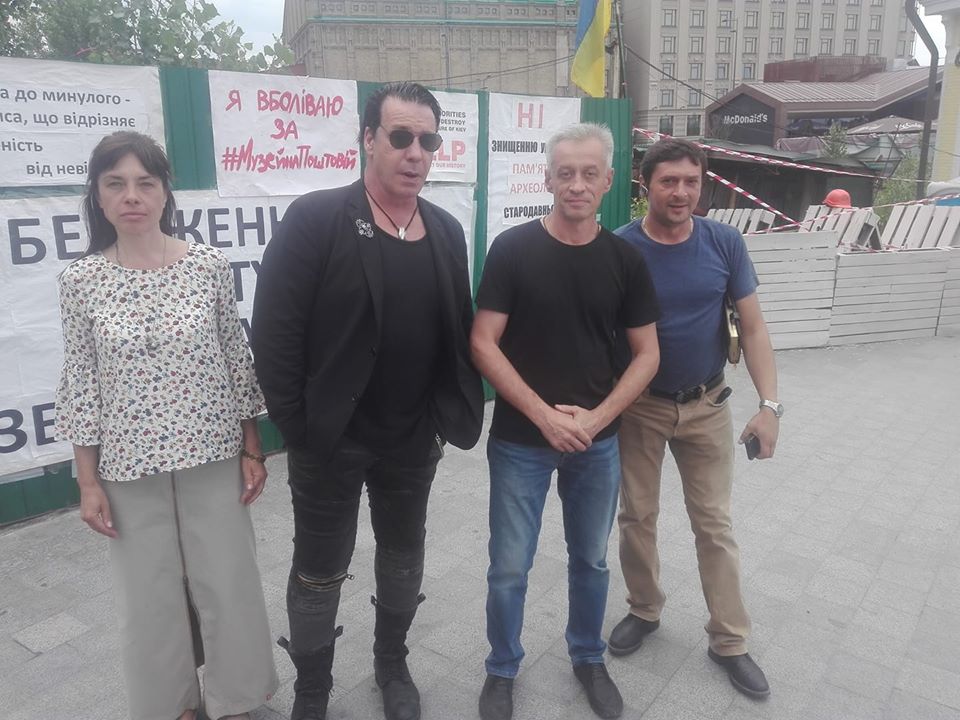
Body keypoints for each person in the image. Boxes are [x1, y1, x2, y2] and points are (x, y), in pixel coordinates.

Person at [251, 82, 484, 720]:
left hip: (411, 438)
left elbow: (456, 329)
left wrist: (441, 417)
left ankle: (391, 663)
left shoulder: (445, 231)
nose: (416, 152)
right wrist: (301, 429)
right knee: (318, 570)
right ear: (368, 139)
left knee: (403, 558)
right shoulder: (317, 219)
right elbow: (274, 335)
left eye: (428, 140)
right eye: (401, 136)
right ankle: (312, 689)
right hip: (331, 440)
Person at [54, 131, 279, 720]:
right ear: (97, 195)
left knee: (228, 580)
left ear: (164, 192)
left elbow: (235, 358)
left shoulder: (207, 267)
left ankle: (236, 698)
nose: (131, 196)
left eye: (144, 183)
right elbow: (82, 380)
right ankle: (171, 705)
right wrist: (87, 481)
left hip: (213, 456)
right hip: (129, 468)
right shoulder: (81, 281)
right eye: (115, 183)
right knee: (148, 597)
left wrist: (252, 447)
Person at [471, 123, 661, 720]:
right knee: (509, 567)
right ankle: (502, 667)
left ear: (609, 181)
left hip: (597, 444)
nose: (577, 184)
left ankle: (588, 656)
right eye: (566, 173)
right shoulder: (513, 250)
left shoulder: (625, 260)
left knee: (592, 560)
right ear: (547, 178)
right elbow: (482, 342)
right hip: (520, 441)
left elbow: (648, 354)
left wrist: (597, 419)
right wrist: (542, 415)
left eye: (589, 174)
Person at [610, 138, 782, 699]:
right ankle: (645, 608)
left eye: (691, 181)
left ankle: (729, 639)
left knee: (714, 524)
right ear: (646, 185)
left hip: (707, 404)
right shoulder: (620, 249)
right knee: (637, 516)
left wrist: (770, 406)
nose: (681, 192)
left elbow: (752, 327)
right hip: (640, 407)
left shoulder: (723, 242)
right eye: (669, 181)